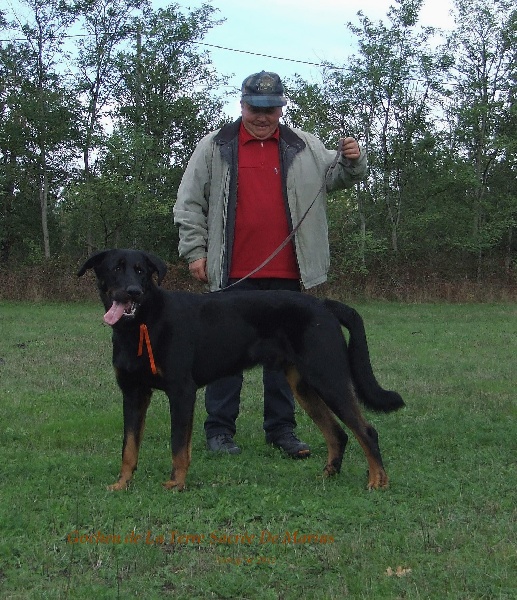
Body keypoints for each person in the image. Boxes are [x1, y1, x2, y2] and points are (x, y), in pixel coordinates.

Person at [173, 70, 367, 458]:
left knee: (285, 360)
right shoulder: (215, 146)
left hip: (288, 273)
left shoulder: (306, 146)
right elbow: (189, 202)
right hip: (231, 273)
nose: (263, 116)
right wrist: (195, 251)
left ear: (281, 108)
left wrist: (354, 160)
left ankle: (281, 430)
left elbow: (341, 177)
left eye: (271, 109)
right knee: (224, 356)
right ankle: (219, 432)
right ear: (242, 104)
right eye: (255, 108)